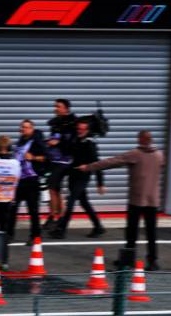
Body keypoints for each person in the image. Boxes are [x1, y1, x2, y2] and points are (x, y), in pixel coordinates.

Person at [78, 130, 164, 269]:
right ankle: (153, 261)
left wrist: (88, 167)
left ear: (140, 140)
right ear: (151, 140)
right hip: (153, 200)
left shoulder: (135, 154)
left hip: (136, 199)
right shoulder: (159, 155)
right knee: (151, 232)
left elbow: (111, 162)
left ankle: (129, 260)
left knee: (131, 231)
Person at [58, 119, 106, 238]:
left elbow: (97, 163)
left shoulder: (90, 144)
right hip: (73, 176)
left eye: (82, 129)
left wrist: (100, 183)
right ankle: (98, 227)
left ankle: (61, 229)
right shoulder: (75, 139)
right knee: (84, 202)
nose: (79, 131)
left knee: (70, 201)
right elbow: (68, 152)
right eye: (78, 128)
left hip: (83, 177)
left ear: (87, 130)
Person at [44, 99, 78, 233]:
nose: (55, 108)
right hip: (54, 160)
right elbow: (55, 139)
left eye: (58, 106)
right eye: (55, 106)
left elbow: (69, 144)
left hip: (63, 162)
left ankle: (56, 217)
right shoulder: (57, 123)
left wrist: (56, 143)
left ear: (66, 109)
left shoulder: (70, 124)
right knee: (55, 189)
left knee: (53, 189)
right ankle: (57, 217)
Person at [11, 120, 48, 243]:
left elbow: (47, 157)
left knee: (33, 210)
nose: (23, 129)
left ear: (32, 129)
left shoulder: (37, 141)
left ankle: (36, 237)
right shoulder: (20, 141)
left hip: (32, 180)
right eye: (22, 127)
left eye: (26, 127)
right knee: (12, 208)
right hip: (19, 181)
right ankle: (9, 235)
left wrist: (33, 157)